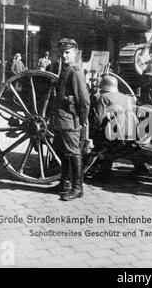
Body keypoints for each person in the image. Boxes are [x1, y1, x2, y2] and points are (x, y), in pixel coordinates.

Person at [49, 38, 90, 201]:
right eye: (62, 53)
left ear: (75, 53)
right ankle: (64, 184)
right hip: (62, 120)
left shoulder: (75, 71)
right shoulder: (65, 70)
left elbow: (84, 100)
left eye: (67, 53)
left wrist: (82, 119)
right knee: (65, 153)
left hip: (71, 120)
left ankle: (77, 188)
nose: (64, 56)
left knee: (73, 153)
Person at [89, 75, 138, 181]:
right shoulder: (126, 97)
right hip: (131, 130)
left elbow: (99, 118)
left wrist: (92, 132)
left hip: (116, 131)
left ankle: (102, 171)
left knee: (100, 140)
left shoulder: (103, 97)